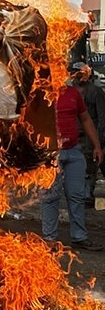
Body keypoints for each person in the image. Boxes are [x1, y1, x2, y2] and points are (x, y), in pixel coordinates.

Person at [41, 73, 104, 251]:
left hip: (74, 151)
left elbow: (85, 119)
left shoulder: (73, 93)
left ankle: (79, 236)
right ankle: (50, 239)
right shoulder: (41, 95)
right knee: (50, 196)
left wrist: (97, 146)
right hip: (51, 153)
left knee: (77, 196)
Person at [71, 62, 105, 208]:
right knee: (77, 167)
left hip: (90, 136)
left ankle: (87, 195)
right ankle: (81, 194)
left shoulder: (95, 91)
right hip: (74, 136)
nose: (75, 75)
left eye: (78, 72)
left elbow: (102, 117)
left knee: (90, 165)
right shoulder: (69, 91)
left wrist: (101, 141)